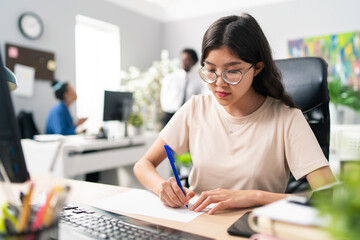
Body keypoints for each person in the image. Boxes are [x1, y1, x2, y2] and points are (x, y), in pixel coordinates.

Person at [133, 13, 336, 215]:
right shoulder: (196, 108)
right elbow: (143, 165)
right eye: (210, 70)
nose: (219, 83)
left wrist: (255, 196)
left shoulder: (287, 118)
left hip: (255, 228)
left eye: (232, 71)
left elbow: (329, 195)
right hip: (196, 224)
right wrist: (162, 188)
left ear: (257, 68)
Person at [160, 48, 207, 128]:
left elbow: (201, 97)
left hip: (188, 116)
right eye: (182, 59)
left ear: (194, 62)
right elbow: (163, 96)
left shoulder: (199, 80)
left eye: (187, 59)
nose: (183, 62)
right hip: (170, 115)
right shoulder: (170, 78)